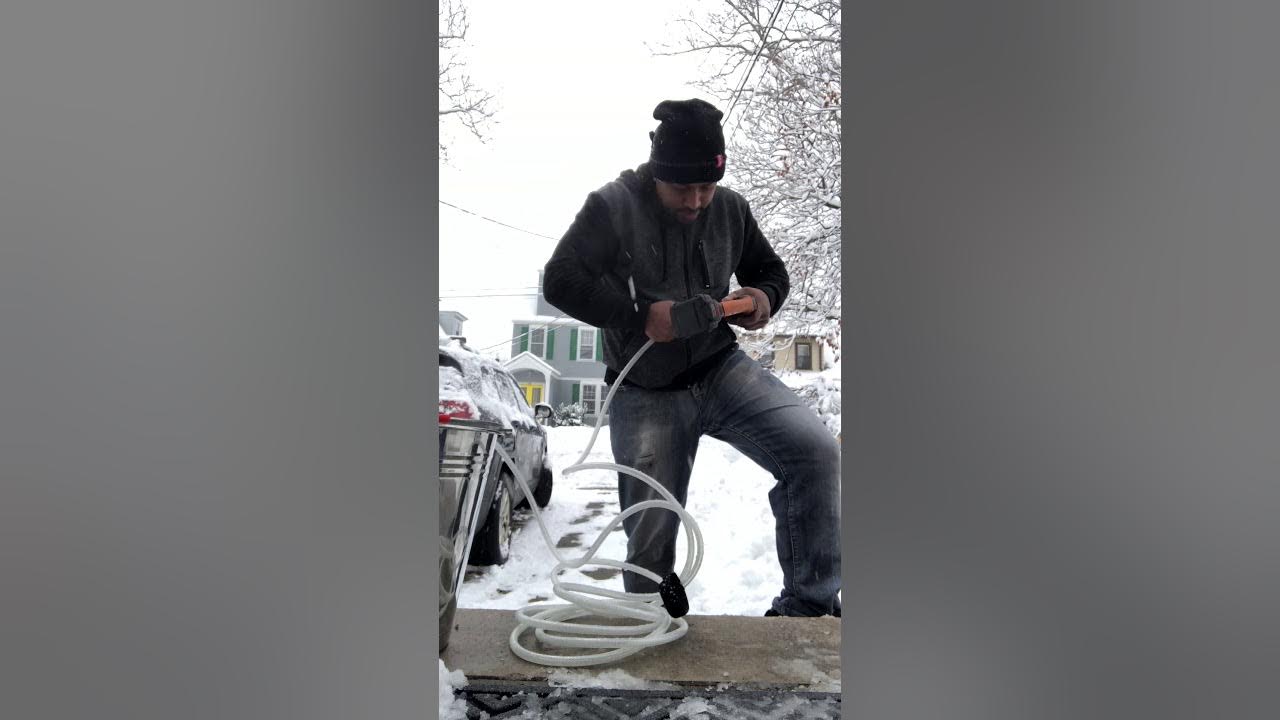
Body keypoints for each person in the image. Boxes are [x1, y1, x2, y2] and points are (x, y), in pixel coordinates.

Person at [542, 99, 840, 617]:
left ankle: (808, 612)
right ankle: (652, 628)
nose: (697, 201)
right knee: (651, 534)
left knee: (815, 454)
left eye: (707, 186)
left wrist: (762, 299)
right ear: (659, 174)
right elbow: (560, 281)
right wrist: (640, 316)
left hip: (721, 369)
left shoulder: (730, 209)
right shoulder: (612, 207)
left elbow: (772, 271)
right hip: (645, 390)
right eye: (684, 188)